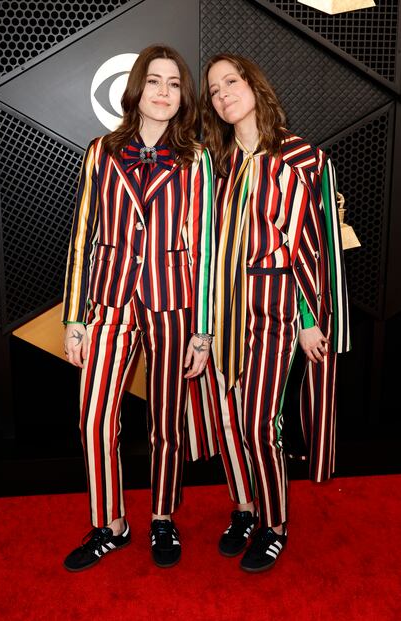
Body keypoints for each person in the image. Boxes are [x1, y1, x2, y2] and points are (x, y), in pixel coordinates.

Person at [62, 44, 214, 571]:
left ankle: (163, 518)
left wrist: (203, 330)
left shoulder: (197, 160)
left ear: (183, 96)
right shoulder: (101, 150)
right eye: (155, 81)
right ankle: (111, 523)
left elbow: (206, 249)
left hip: (173, 307)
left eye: (174, 84)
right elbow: (84, 235)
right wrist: (76, 318)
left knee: (166, 421)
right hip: (108, 303)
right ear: (137, 87)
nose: (164, 92)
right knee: (94, 419)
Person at [198, 53, 350, 572]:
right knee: (227, 418)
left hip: (277, 310)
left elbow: (317, 246)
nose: (222, 95)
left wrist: (309, 320)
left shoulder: (304, 157)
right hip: (224, 312)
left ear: (253, 84)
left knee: (260, 420)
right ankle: (245, 506)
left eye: (231, 82)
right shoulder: (217, 162)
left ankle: (276, 523)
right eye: (214, 91)